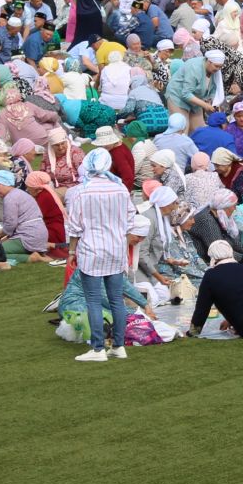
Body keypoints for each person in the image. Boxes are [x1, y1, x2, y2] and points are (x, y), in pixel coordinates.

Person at [64, 146, 134, 362]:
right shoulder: (120, 189)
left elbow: (74, 226)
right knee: (116, 300)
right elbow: (130, 219)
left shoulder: (82, 191)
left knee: (93, 300)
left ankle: (98, 349)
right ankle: (119, 346)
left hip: (91, 250)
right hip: (115, 248)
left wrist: (71, 251)